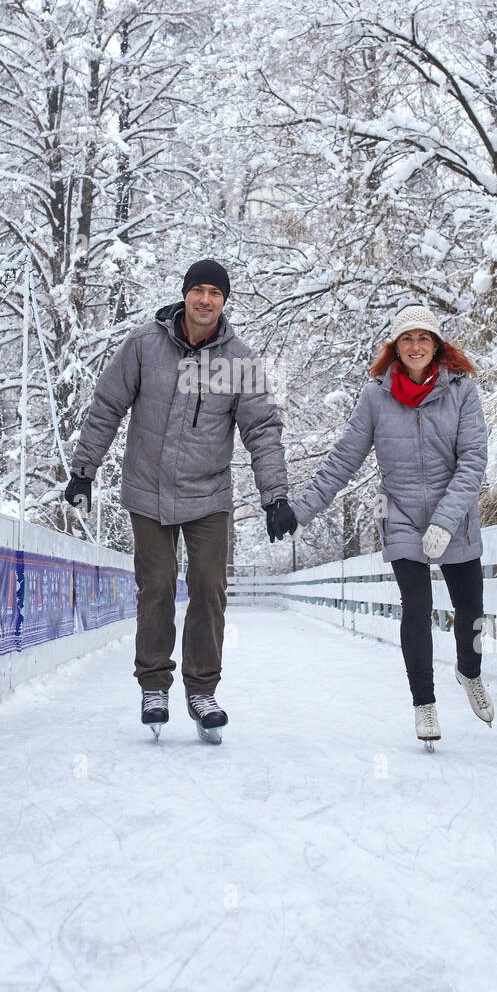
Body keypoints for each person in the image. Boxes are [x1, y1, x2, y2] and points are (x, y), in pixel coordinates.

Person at [65, 258, 298, 741]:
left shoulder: (240, 361)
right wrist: (84, 469)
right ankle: (154, 683)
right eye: (199, 291)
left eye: (215, 293)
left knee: (210, 588)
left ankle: (201, 688)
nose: (206, 300)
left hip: (208, 494)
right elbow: (107, 405)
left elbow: (262, 430)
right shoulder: (144, 344)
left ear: (224, 302)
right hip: (147, 489)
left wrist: (275, 496)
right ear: (186, 295)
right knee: (158, 584)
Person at [291, 304, 493, 748]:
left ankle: (470, 671)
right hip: (400, 515)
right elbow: (344, 459)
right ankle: (424, 704)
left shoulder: (462, 391)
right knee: (417, 608)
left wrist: (444, 520)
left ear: (436, 345)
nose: (416, 346)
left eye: (424, 338)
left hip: (454, 516)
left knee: (471, 612)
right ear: (395, 348)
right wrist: (301, 510)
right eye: (407, 339)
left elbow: (473, 461)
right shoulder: (376, 397)